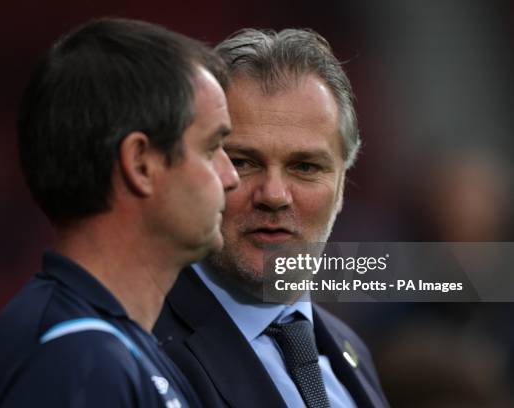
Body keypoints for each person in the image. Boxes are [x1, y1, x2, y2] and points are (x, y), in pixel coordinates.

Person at [0, 18, 239, 407]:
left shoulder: (107, 345)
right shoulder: (76, 359)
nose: (231, 177)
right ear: (140, 164)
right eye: (210, 149)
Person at [154, 28, 389, 407]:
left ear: (343, 184)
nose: (275, 196)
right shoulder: (139, 352)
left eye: (305, 167)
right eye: (243, 162)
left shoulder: (352, 352)